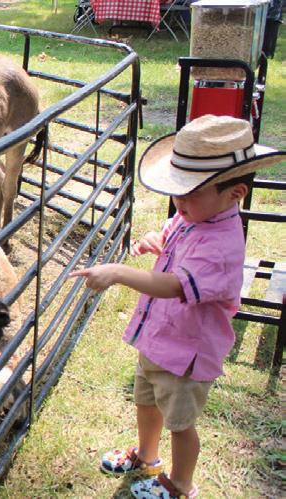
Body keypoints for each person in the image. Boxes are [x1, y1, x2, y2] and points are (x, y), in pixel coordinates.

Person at [69, 115, 284, 499]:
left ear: (235, 193)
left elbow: (173, 286)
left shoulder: (221, 246)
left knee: (180, 423)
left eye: (189, 193)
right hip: (160, 339)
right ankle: (147, 457)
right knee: (147, 400)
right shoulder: (195, 216)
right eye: (176, 192)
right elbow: (173, 233)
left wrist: (118, 272)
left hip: (186, 355)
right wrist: (157, 239)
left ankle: (180, 483)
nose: (178, 203)